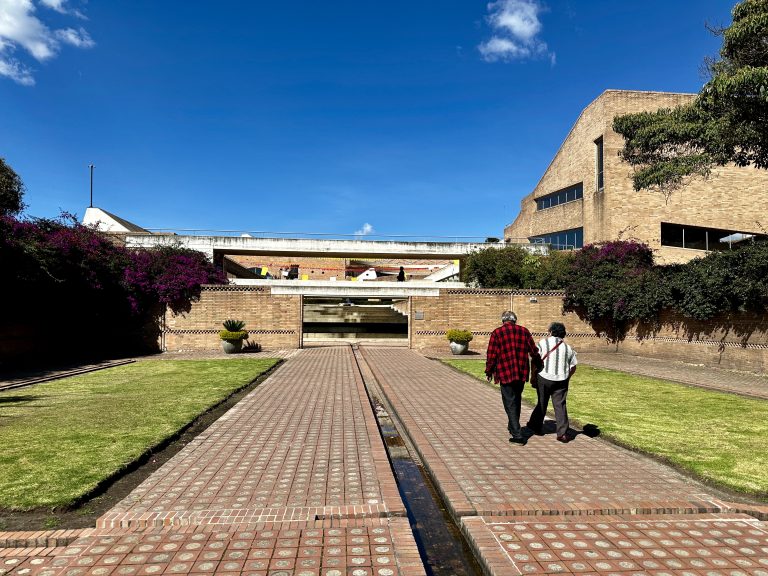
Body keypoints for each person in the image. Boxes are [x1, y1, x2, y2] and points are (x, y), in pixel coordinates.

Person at [485, 310, 542, 445]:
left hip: (505, 372)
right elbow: (534, 351)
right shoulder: (524, 331)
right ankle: (513, 426)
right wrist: (539, 363)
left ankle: (517, 435)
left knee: (509, 402)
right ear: (515, 320)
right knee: (516, 400)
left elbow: (491, 354)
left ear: (503, 320)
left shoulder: (497, 333)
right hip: (521, 372)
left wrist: (489, 370)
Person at [526, 322, 578, 443]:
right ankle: (562, 433)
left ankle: (536, 427)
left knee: (542, 402)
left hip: (544, 377)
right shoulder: (568, 348)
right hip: (561, 379)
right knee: (560, 405)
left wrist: (533, 376)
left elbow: (535, 357)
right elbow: (573, 366)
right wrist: (567, 378)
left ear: (551, 332)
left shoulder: (543, 343)